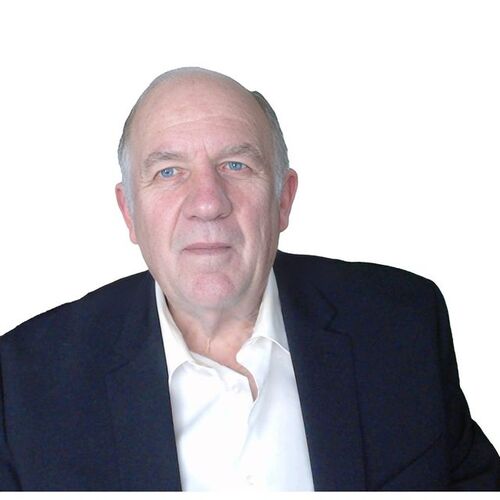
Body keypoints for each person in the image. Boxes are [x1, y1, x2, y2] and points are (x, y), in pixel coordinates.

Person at [0, 67, 498, 491]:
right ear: (129, 211)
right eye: (169, 172)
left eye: (236, 165)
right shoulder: (26, 382)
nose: (207, 203)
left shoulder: (402, 323)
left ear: (284, 199)